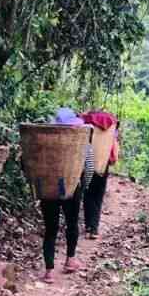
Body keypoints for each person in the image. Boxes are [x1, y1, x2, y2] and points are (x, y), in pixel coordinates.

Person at [40, 107, 93, 283]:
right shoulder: (80, 141)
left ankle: (49, 271)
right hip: (71, 188)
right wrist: (82, 186)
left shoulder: (43, 141)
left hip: (48, 189)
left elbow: (29, 163)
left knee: (50, 229)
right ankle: (70, 260)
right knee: (72, 224)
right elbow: (89, 167)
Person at [81, 110, 119, 239]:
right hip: (104, 166)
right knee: (98, 196)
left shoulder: (87, 124)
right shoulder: (110, 131)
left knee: (88, 195)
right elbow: (113, 155)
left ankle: (88, 227)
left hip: (87, 165)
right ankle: (94, 228)